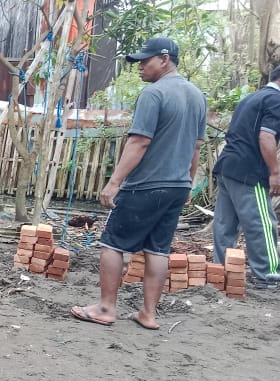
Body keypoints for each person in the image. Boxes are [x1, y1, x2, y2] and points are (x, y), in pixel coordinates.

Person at [71, 38, 207, 330]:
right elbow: (196, 147)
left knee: (112, 243)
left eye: (145, 61)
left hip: (146, 184)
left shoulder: (154, 94)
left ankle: (106, 308)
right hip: (177, 186)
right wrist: (188, 183)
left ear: (165, 58)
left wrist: (114, 182)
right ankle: (149, 314)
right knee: (157, 249)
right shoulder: (197, 96)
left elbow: (140, 141)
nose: (140, 67)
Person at [211, 65, 280, 288]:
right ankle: (268, 276)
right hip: (250, 171)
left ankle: (221, 272)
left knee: (225, 225)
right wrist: (275, 172)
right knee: (261, 224)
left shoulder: (252, 98)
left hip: (228, 166)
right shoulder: (275, 100)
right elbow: (266, 137)